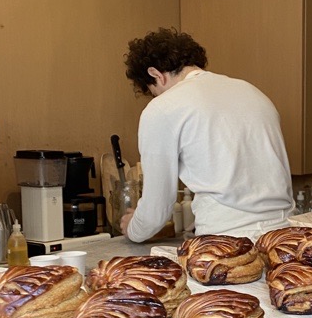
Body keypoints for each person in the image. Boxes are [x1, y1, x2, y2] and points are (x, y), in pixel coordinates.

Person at [120, 27, 294, 242]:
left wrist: (133, 229)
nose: (156, 97)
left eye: (153, 91)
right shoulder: (252, 92)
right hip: (284, 235)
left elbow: (157, 208)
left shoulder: (162, 108)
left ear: (155, 74)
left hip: (227, 246)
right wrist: (206, 216)